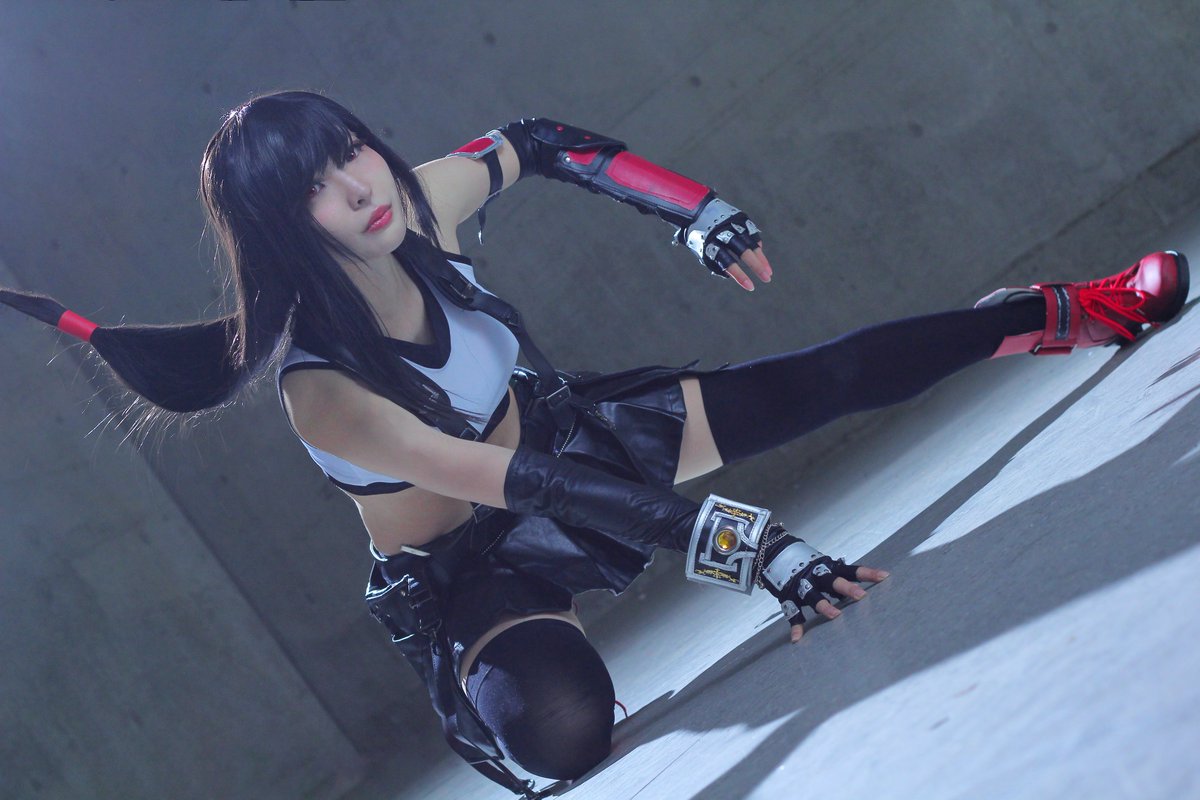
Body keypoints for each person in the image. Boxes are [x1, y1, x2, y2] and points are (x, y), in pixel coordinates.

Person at [1, 91, 1187, 798]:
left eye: (349, 149)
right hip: (479, 564)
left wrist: (695, 212)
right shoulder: (322, 388)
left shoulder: (417, 203)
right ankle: (490, 694)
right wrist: (763, 553)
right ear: (282, 228)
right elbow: (514, 481)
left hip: (579, 441)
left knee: (819, 377)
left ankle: (1061, 311)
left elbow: (540, 142)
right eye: (317, 186)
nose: (357, 187)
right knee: (567, 731)